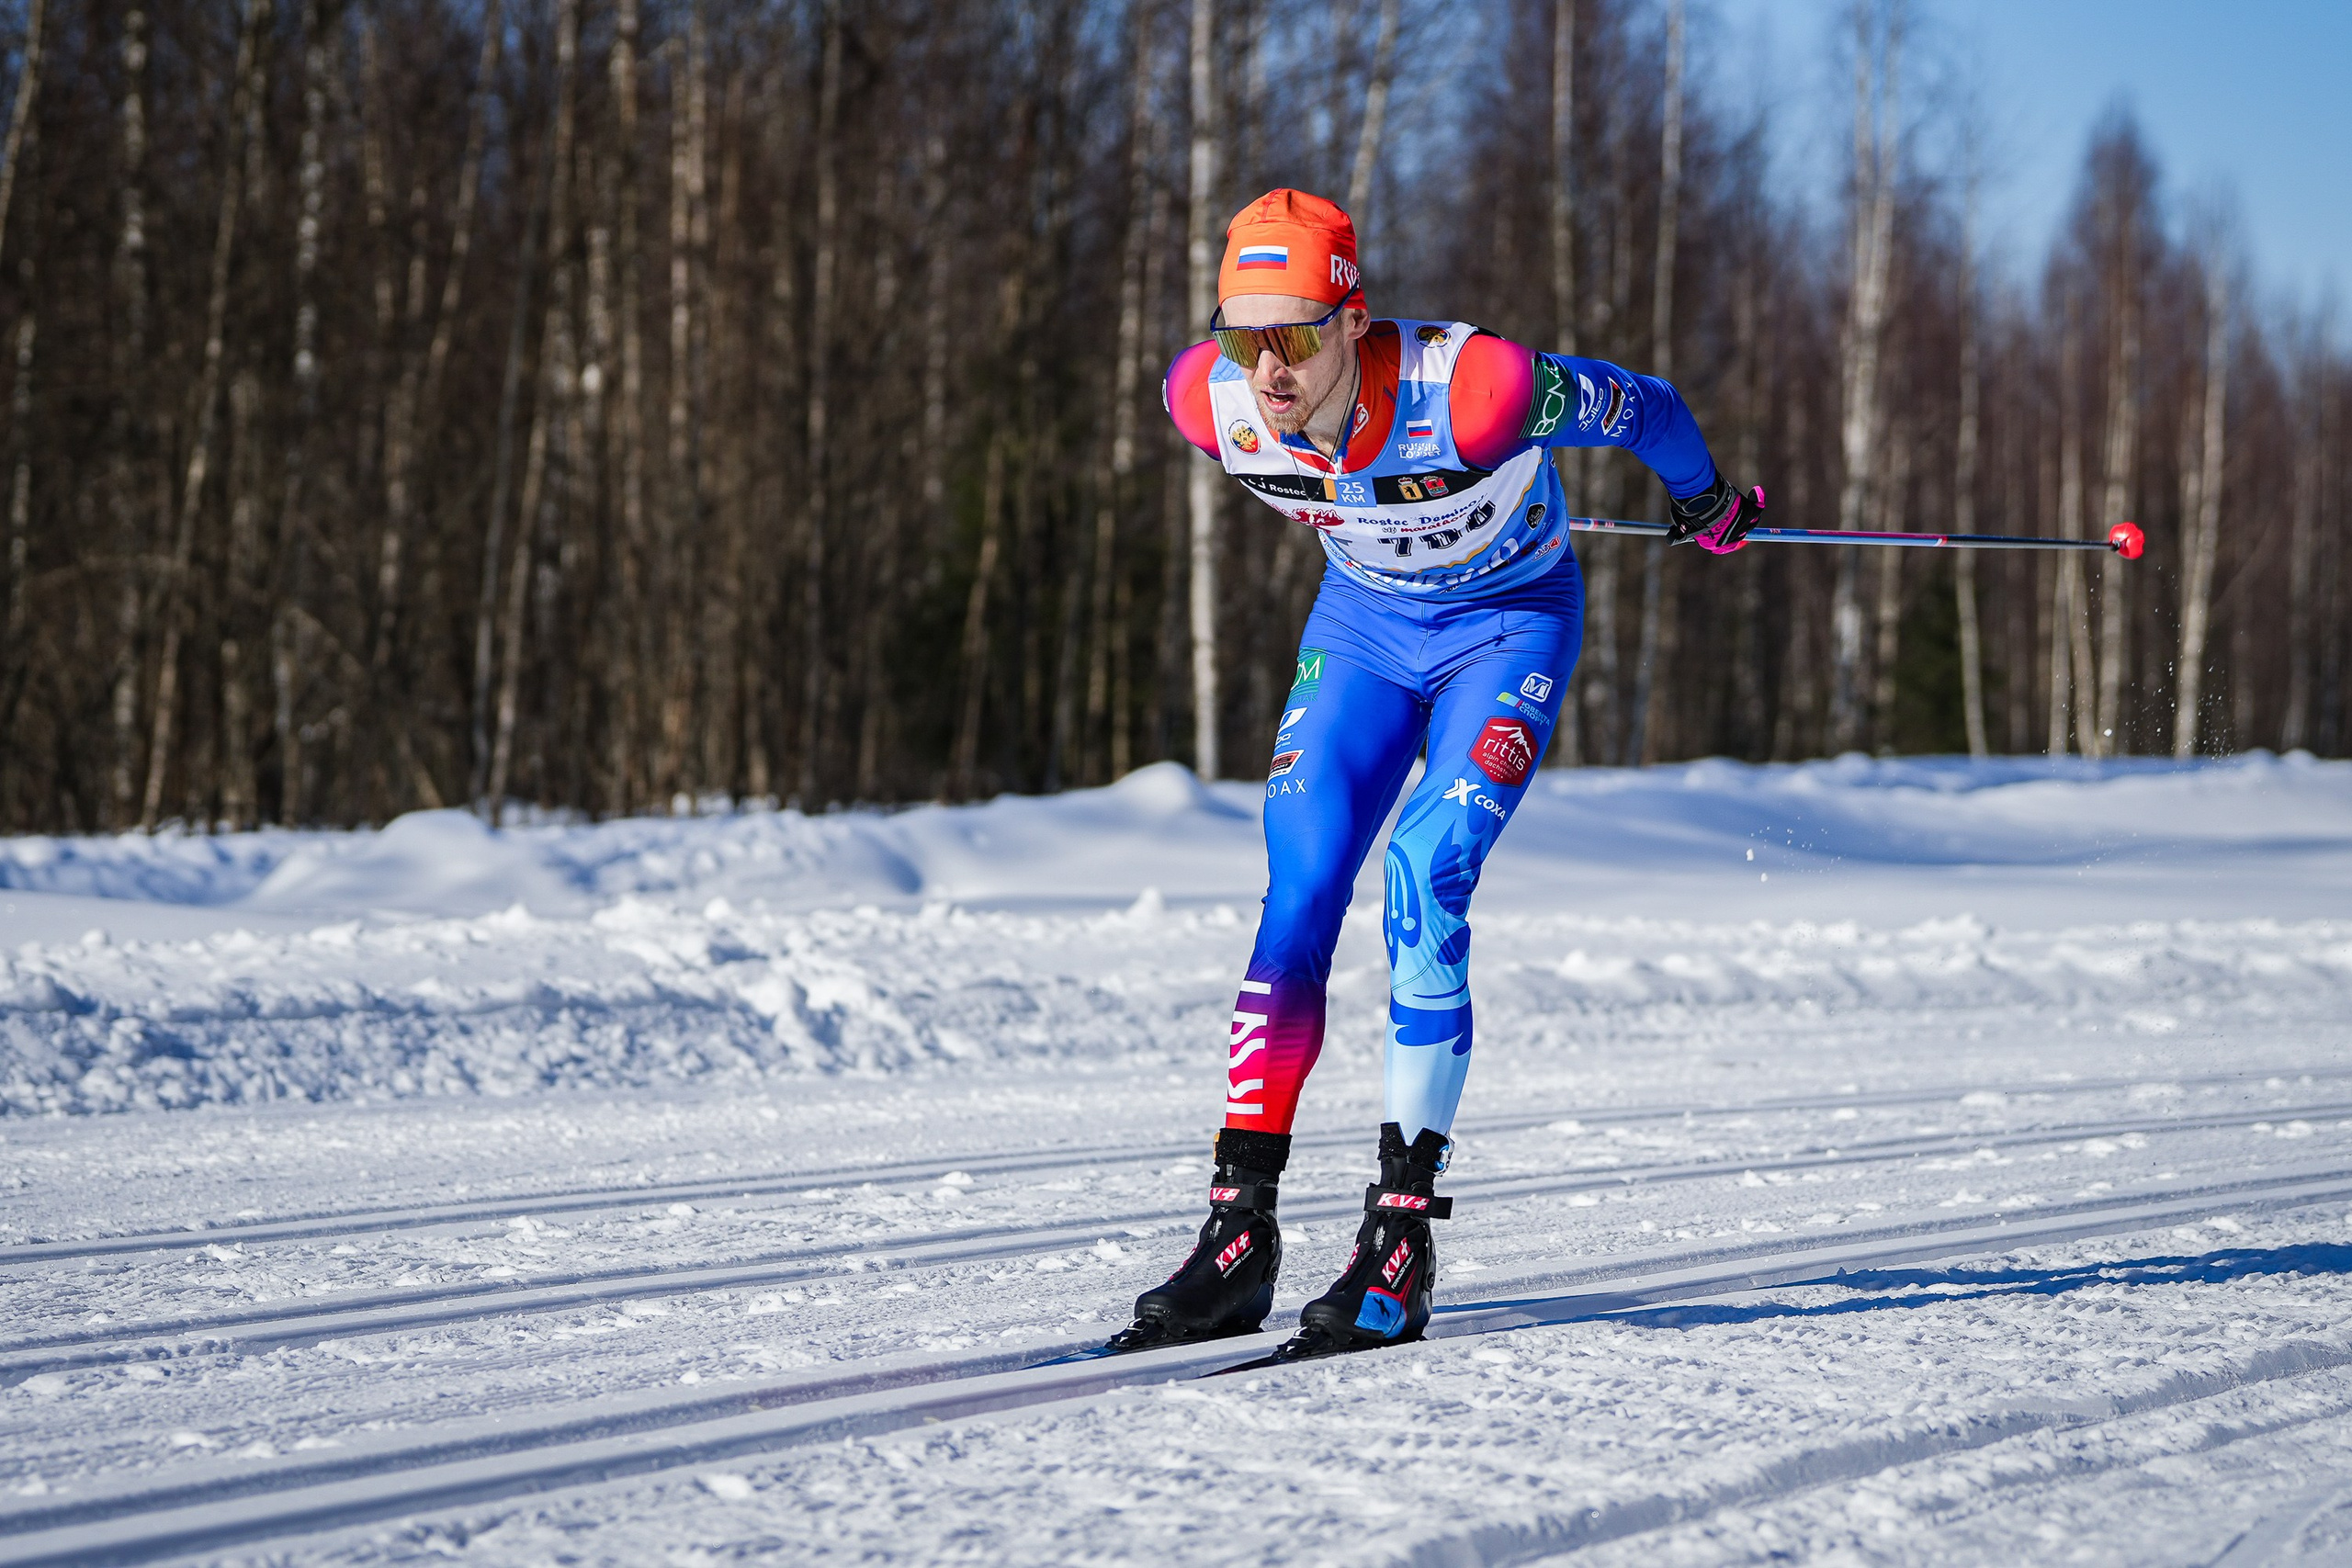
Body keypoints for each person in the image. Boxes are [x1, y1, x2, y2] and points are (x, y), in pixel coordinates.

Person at [1106, 188, 1761, 1362]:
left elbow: (1647, 408)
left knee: (1422, 874)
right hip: (1363, 628)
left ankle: (1399, 1242)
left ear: (1355, 322)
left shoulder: (1479, 391)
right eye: (1240, 333)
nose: (1265, 367)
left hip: (1506, 629)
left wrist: (1701, 499)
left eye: (1296, 334)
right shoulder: (1200, 403)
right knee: (1297, 891)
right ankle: (1236, 1235)